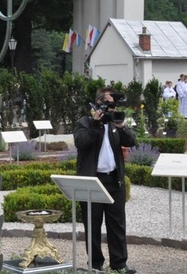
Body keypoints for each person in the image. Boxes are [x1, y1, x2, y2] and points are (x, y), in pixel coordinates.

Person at [74, 87, 137, 274]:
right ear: (99, 103)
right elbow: (81, 142)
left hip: (114, 180)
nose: (112, 108)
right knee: (92, 225)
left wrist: (121, 127)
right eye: (109, 104)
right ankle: (95, 264)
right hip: (93, 181)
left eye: (114, 105)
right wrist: (95, 123)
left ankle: (119, 264)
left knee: (117, 224)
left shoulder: (116, 122)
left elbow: (131, 141)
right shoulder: (84, 122)